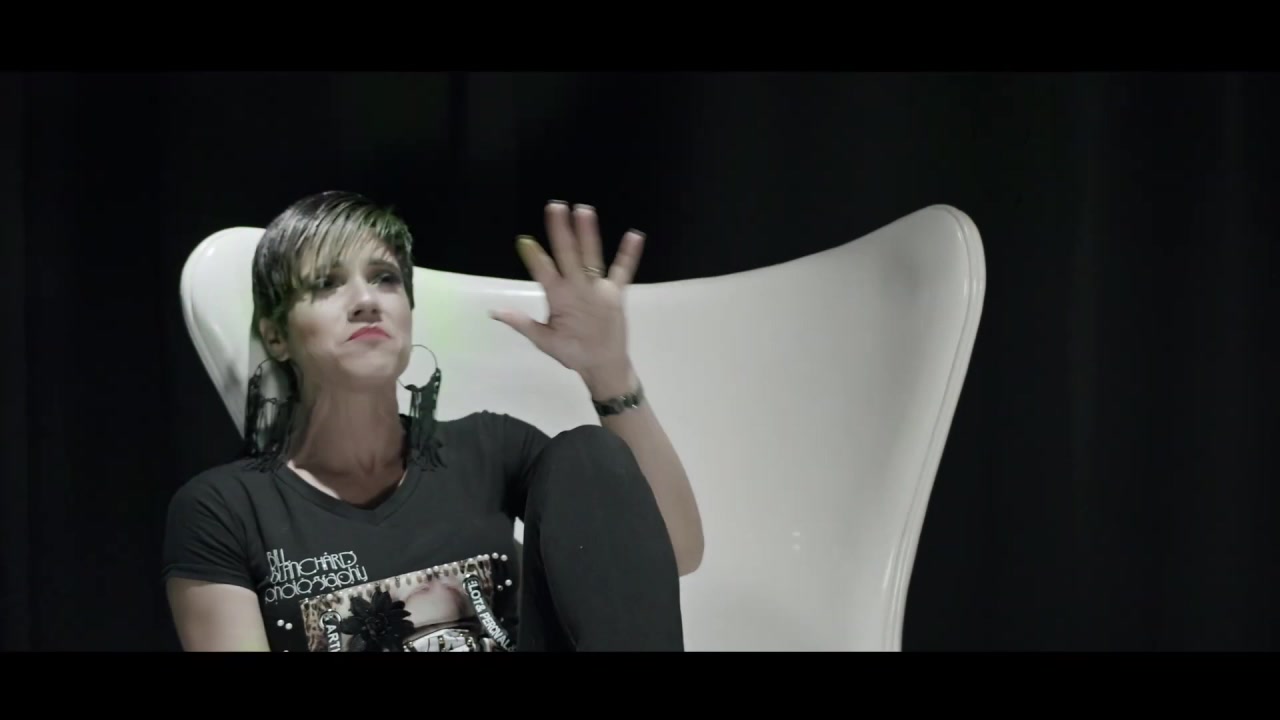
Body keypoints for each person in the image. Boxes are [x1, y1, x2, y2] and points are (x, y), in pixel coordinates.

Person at [162, 192, 704, 652]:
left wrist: (608, 372)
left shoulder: (490, 448)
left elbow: (675, 550)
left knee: (590, 452)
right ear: (276, 335)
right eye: (327, 283)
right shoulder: (223, 511)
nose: (366, 300)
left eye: (385, 279)